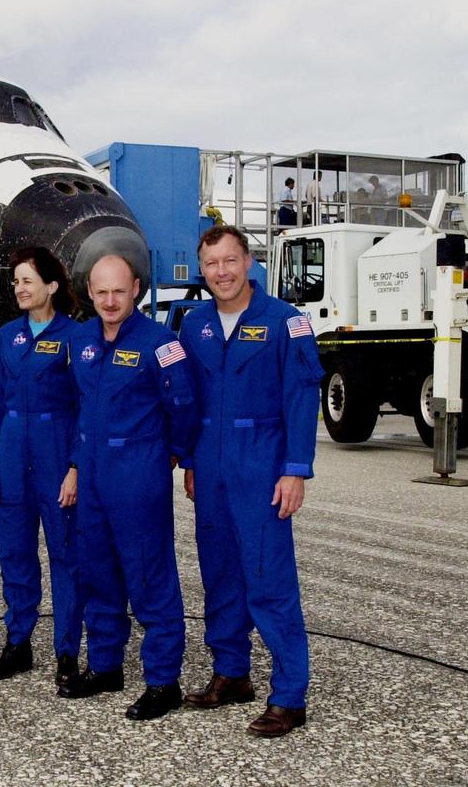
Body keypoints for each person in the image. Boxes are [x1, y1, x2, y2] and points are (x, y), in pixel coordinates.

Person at [178, 225, 325, 738]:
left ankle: (289, 695)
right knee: (220, 575)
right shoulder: (192, 326)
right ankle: (231, 673)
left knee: (268, 579)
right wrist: (188, 460)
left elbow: (302, 398)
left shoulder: (288, 322)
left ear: (249, 262)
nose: (221, 272)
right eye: (212, 263)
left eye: (230, 261)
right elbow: (187, 399)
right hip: (210, 467)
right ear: (202, 269)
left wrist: (295, 469)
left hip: (262, 466)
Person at [58, 254, 198, 721]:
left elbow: (182, 405)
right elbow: (81, 406)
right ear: (90, 293)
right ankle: (105, 666)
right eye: (101, 292)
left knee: (148, 575)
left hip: (138, 473)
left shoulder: (162, 343)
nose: (110, 301)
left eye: (119, 291)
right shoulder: (81, 342)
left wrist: (172, 453)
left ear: (135, 288)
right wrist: (77, 464)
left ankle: (163, 681)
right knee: (97, 572)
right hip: (94, 473)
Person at [0, 247, 82, 686]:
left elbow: (85, 407)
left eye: (28, 281)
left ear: (52, 286)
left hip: (56, 452)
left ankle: (67, 651)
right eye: (16, 281)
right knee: (15, 553)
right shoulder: (6, 337)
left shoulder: (77, 337)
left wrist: (76, 466)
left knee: (65, 554)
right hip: (13, 453)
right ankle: (17, 643)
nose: (20, 288)